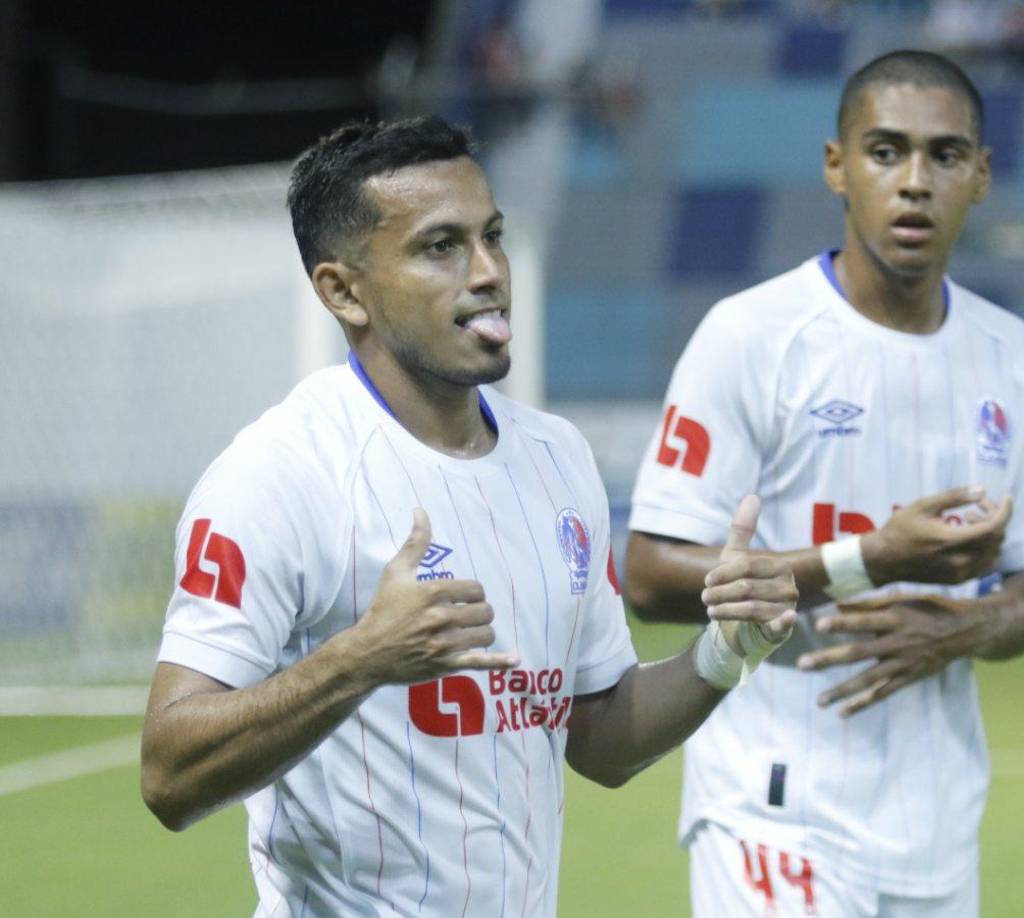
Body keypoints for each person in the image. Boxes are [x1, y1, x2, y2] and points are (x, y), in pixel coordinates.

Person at [139, 116, 800, 917]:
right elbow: (168, 774)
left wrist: (725, 651)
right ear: (343, 291)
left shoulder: (558, 458)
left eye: (493, 237)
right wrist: (361, 659)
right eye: (440, 246)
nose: (488, 271)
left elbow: (601, 735)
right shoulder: (278, 475)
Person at [624, 50, 1024, 917]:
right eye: (885, 151)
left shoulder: (1010, 355)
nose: (914, 182)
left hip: (935, 822)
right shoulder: (753, 337)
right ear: (837, 164)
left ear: (981, 176)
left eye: (945, 156)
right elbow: (650, 573)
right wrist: (864, 558)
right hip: (771, 806)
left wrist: (968, 627)